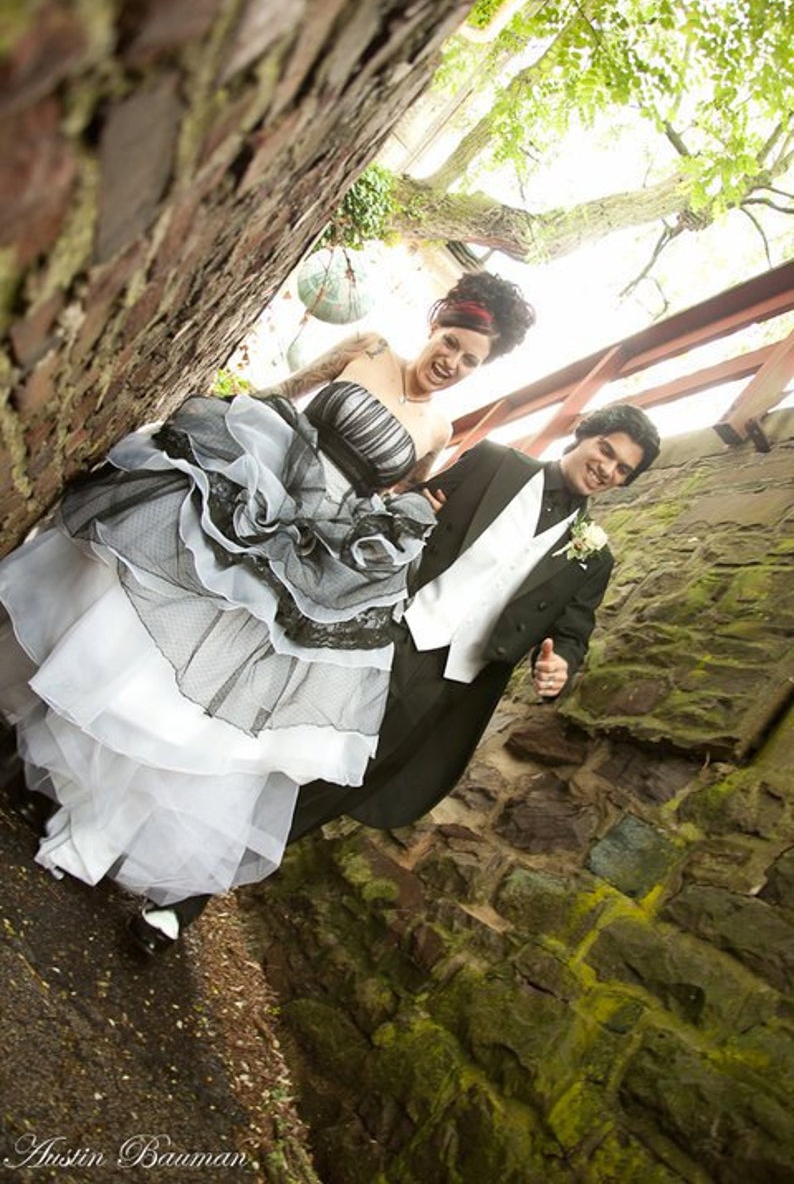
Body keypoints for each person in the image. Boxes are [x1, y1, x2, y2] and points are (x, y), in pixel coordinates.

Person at [0, 270, 534, 947]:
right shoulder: (366, 347)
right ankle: (38, 747)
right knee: (142, 623)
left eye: (470, 361)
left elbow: (391, 501)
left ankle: (88, 813)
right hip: (258, 485)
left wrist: (397, 522)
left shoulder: (440, 426)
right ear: (435, 326)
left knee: (206, 690)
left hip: (310, 551)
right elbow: (286, 393)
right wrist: (214, 429)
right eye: (452, 342)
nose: (452, 363)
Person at [152, 403, 660, 951]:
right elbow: (409, 512)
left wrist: (562, 660)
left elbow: (574, 630)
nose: (607, 469)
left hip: (449, 685)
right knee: (277, 746)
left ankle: (186, 900)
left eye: (622, 469)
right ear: (584, 436)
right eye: (606, 451)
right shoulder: (494, 463)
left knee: (329, 792)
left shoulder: (594, 557)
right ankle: (157, 839)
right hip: (382, 635)